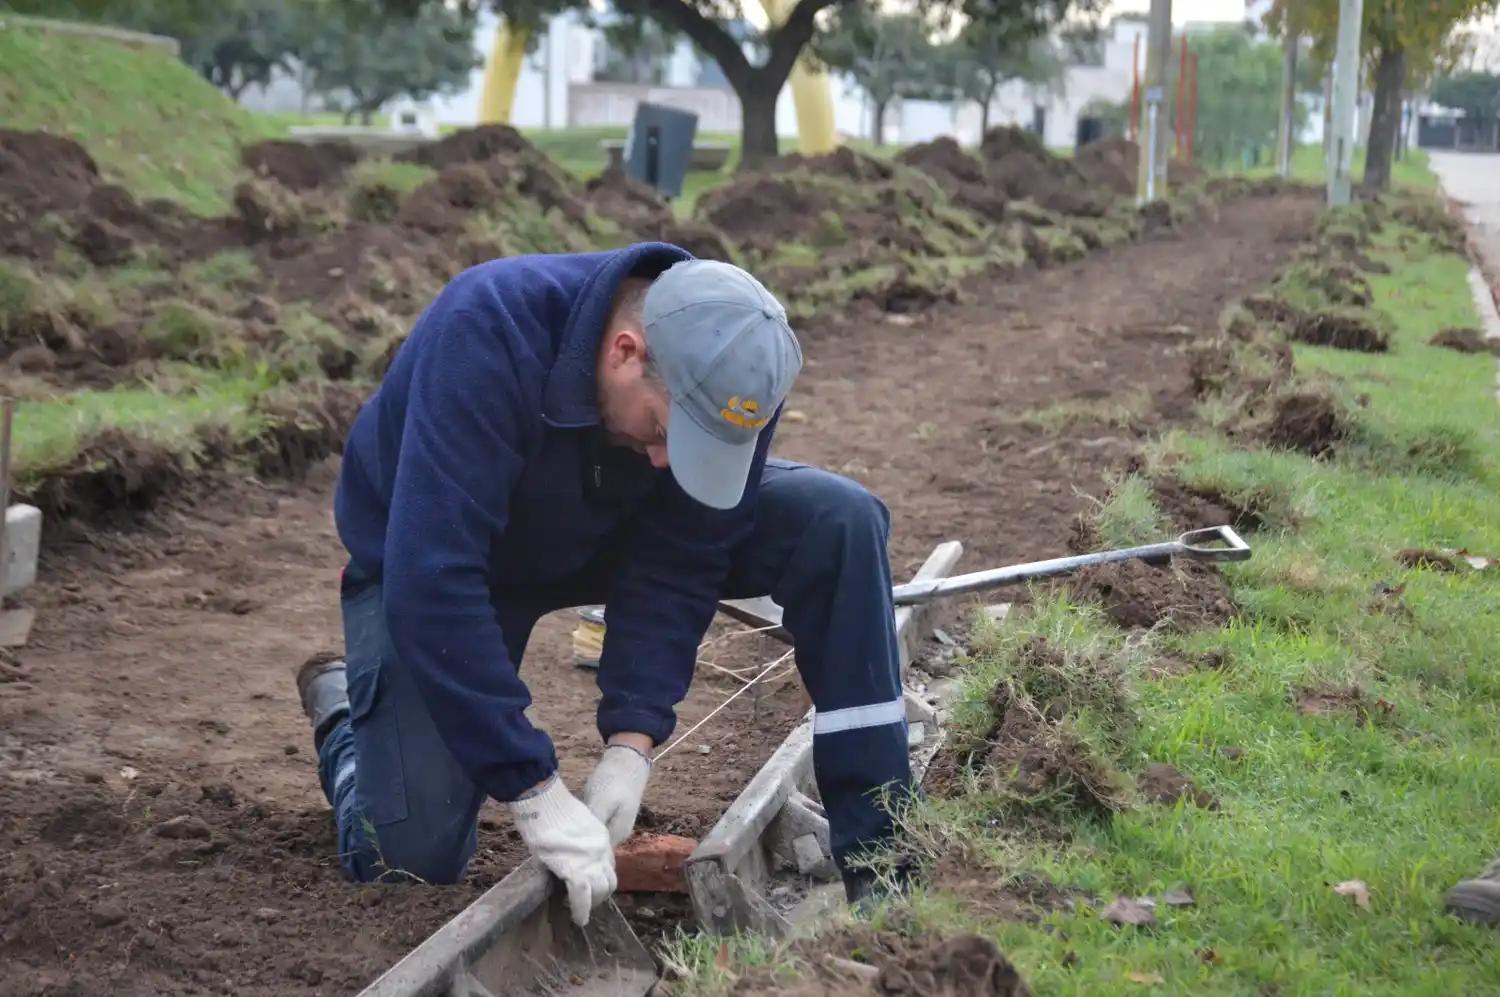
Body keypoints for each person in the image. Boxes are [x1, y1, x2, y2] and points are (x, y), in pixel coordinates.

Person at [294, 243, 916, 927]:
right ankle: (345, 722)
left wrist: (632, 739)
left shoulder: (738, 367)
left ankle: (885, 865)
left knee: (840, 522)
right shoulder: (486, 330)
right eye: (660, 429)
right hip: (447, 554)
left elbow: (682, 554)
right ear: (624, 352)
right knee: (411, 861)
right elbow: (433, 583)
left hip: (606, 523)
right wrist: (533, 786)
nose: (664, 459)